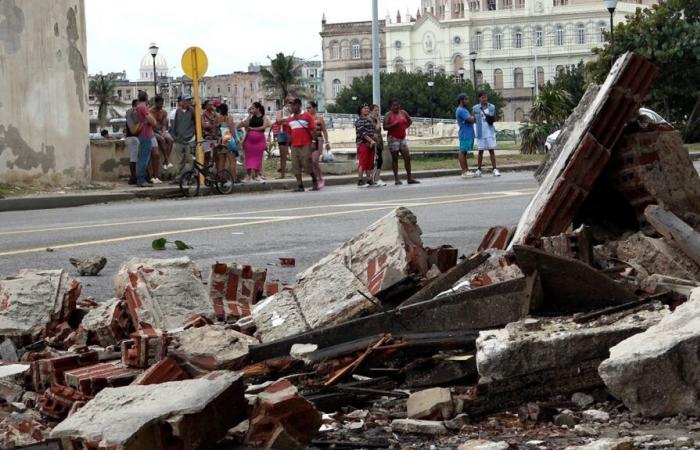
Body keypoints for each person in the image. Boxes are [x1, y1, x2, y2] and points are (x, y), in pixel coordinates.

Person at [383, 98, 419, 185]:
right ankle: (396, 179)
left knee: (407, 157)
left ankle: (409, 178)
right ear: (390, 106)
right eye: (394, 105)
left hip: (402, 138)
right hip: (393, 138)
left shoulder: (403, 112)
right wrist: (394, 124)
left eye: (397, 105)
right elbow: (385, 127)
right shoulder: (388, 115)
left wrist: (404, 127)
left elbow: (410, 121)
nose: (396, 107)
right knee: (395, 158)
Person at [287, 97, 317, 192]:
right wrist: (289, 146)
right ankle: (300, 185)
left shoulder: (307, 116)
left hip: (306, 144)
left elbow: (313, 129)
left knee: (307, 164)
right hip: (294, 145)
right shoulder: (290, 118)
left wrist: (313, 142)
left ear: (299, 105)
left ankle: (314, 180)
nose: (291, 107)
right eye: (291, 106)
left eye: (293, 105)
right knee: (295, 165)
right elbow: (289, 133)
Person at [237, 102, 269, 182]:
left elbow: (264, 127)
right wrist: (249, 115)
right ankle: (248, 176)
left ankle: (257, 175)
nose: (252, 109)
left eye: (253, 108)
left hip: (259, 140)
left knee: (258, 158)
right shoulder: (251, 117)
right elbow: (247, 126)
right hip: (249, 140)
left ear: (258, 108)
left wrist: (253, 129)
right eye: (251, 108)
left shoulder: (264, 117)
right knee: (248, 158)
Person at [473, 92, 500, 177]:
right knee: (480, 151)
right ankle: (479, 169)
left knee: (491, 150)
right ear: (479, 98)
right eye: (482, 98)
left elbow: (494, 117)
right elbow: (473, 119)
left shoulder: (492, 107)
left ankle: (495, 169)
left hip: (489, 131)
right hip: (480, 132)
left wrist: (490, 117)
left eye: (485, 97)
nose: (484, 99)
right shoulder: (475, 108)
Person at [135, 91, 157, 187]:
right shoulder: (143, 107)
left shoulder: (138, 107)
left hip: (141, 134)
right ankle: (141, 180)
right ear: (146, 98)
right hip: (145, 135)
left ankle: (142, 178)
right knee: (144, 159)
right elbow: (153, 122)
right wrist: (152, 120)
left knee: (143, 158)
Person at [170, 94, 196, 178]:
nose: (189, 102)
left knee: (191, 159)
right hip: (179, 139)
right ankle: (180, 177)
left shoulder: (192, 111)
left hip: (190, 139)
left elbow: (196, 123)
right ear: (182, 102)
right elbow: (174, 125)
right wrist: (175, 137)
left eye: (190, 100)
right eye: (187, 100)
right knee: (180, 160)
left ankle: (191, 176)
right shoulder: (177, 111)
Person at [306, 101, 330, 189]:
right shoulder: (306, 118)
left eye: (310, 107)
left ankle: (320, 178)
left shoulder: (319, 118)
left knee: (315, 160)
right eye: (307, 108)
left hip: (318, 140)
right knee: (311, 162)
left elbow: (324, 130)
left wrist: (327, 142)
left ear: (314, 108)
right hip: (309, 141)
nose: (308, 109)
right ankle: (315, 179)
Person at [216, 103, 239, 180]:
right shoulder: (229, 117)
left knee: (221, 160)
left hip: (220, 138)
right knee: (232, 160)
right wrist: (235, 139)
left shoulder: (217, 118)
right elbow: (232, 129)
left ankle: (220, 178)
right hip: (227, 136)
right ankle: (234, 178)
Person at [355, 104, 377, 187]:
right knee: (363, 162)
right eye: (364, 108)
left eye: (368, 108)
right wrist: (371, 141)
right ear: (360, 110)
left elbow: (374, 130)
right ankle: (360, 180)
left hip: (371, 144)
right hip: (363, 144)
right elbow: (363, 133)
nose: (367, 110)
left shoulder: (369, 120)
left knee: (370, 163)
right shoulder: (359, 121)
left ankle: (369, 179)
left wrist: (373, 140)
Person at [456, 93, 476, 178]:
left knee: (465, 152)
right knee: (462, 151)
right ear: (461, 101)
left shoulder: (464, 109)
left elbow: (471, 119)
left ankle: (466, 170)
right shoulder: (461, 110)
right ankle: (464, 171)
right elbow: (470, 120)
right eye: (466, 99)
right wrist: (475, 115)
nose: (468, 101)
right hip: (465, 134)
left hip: (468, 133)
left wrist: (473, 117)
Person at [151, 96, 173, 172]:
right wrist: (159, 132)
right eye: (160, 104)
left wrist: (163, 132)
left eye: (162, 104)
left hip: (161, 130)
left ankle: (165, 161)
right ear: (156, 103)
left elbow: (164, 124)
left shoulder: (164, 112)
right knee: (162, 139)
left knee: (170, 140)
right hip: (153, 131)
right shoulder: (151, 111)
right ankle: (167, 160)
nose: (161, 105)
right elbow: (152, 124)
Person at [275, 96, 293, 179]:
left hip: (293, 134)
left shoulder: (295, 112)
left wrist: (285, 120)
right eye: (289, 102)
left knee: (295, 154)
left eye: (293, 102)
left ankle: (296, 173)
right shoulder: (280, 111)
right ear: (285, 103)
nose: (291, 104)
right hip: (283, 133)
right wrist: (287, 120)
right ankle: (282, 174)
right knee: (283, 155)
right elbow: (278, 120)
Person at [369, 104, 387, 186]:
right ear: (371, 110)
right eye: (375, 110)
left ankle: (377, 178)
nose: (377, 112)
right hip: (373, 141)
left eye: (378, 110)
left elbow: (380, 129)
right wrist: (378, 120)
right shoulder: (370, 119)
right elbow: (376, 128)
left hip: (379, 141)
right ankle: (374, 179)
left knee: (380, 160)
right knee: (376, 160)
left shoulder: (376, 119)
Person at [124, 99, 140, 185]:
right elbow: (134, 127)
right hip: (132, 137)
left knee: (134, 158)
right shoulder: (131, 112)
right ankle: (133, 177)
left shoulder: (131, 112)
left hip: (133, 137)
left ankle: (134, 177)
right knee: (133, 159)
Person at [202, 100, 220, 164]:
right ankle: (205, 170)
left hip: (214, 137)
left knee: (216, 155)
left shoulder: (215, 114)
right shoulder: (203, 114)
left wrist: (215, 112)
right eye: (209, 104)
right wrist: (213, 125)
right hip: (206, 138)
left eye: (212, 104)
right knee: (207, 155)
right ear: (206, 106)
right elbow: (204, 125)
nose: (211, 106)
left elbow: (219, 122)